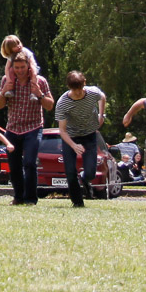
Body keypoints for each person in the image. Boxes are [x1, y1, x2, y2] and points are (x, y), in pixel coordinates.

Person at [0, 50, 54, 205]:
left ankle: (30, 198)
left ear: (29, 66)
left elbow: (49, 105)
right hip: (13, 128)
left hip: (33, 128)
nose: (20, 71)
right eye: (17, 67)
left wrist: (39, 94)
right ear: (12, 68)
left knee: (29, 163)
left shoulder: (39, 81)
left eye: (22, 67)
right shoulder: (7, 80)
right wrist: (4, 91)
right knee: (14, 166)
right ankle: (18, 197)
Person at [55, 70, 107, 207]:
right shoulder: (63, 103)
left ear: (84, 83)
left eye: (80, 88)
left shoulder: (92, 93)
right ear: (69, 87)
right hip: (70, 137)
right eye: (74, 89)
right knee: (70, 171)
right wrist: (73, 145)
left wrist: (101, 115)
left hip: (89, 135)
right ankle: (77, 202)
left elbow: (102, 97)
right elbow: (62, 131)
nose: (78, 92)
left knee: (90, 173)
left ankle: (84, 178)